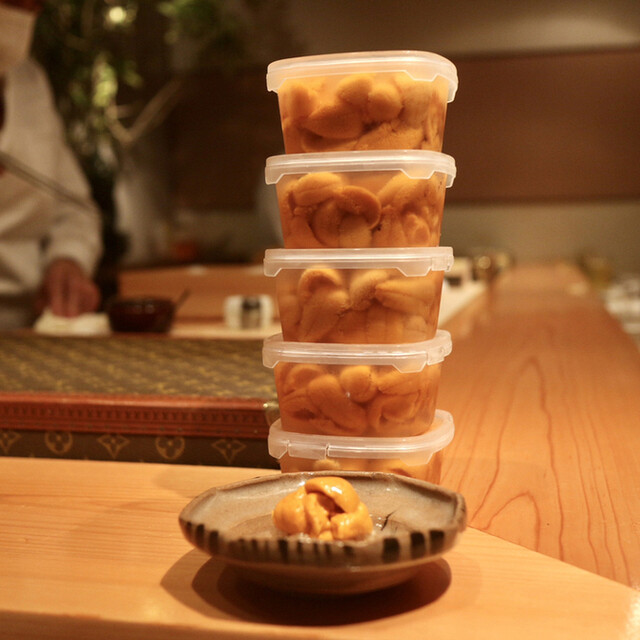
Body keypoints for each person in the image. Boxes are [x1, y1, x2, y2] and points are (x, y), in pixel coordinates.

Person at [0, 0, 103, 329]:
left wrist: (68, 258)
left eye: (33, 5)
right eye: (12, 2)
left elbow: (75, 208)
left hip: (28, 326)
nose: (24, 12)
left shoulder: (30, 82)